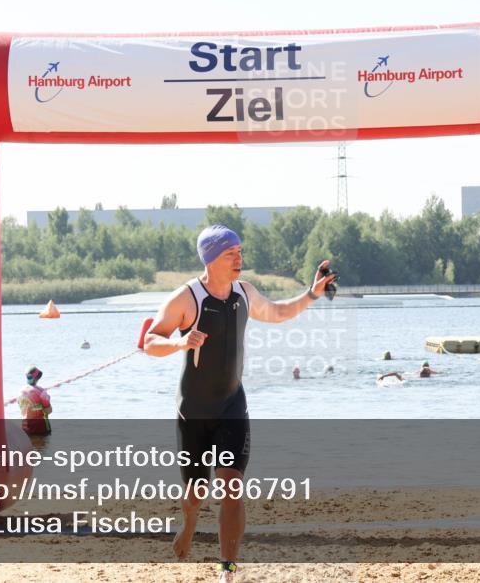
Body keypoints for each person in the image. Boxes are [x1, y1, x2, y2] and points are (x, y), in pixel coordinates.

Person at [143, 224, 336, 582]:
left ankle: (228, 571)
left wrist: (312, 294)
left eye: (240, 252)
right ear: (211, 257)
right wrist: (180, 344)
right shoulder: (187, 299)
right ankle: (188, 524)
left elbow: (277, 312)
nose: (239, 259)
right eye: (232, 253)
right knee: (195, 494)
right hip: (194, 413)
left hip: (232, 405)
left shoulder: (244, 292)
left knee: (232, 486)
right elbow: (151, 341)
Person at [18, 365, 52, 436]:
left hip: (25, 427)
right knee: (43, 445)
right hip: (40, 427)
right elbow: (48, 410)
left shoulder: (20, 391)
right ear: (37, 378)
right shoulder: (41, 391)